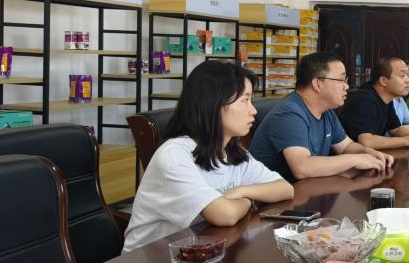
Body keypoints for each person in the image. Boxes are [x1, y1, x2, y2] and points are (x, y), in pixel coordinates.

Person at [123, 61, 294, 252]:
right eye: (245, 100)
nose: (253, 110)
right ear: (214, 104)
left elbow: (285, 189)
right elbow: (226, 215)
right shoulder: (174, 156)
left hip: (196, 253)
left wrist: (241, 191)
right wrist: (248, 199)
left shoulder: (233, 153)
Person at [250, 52, 393, 183]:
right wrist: (355, 160)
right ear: (317, 84)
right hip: (275, 199)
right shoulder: (289, 114)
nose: (347, 86)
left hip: (306, 190)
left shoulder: (326, 112)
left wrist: (370, 154)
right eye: (341, 80)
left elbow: (347, 147)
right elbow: (302, 168)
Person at [338, 57, 409, 150]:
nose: (408, 80)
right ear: (383, 80)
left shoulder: (386, 99)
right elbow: (367, 141)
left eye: (408, 75)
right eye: (402, 75)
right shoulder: (365, 100)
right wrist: (407, 140)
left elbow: (396, 130)